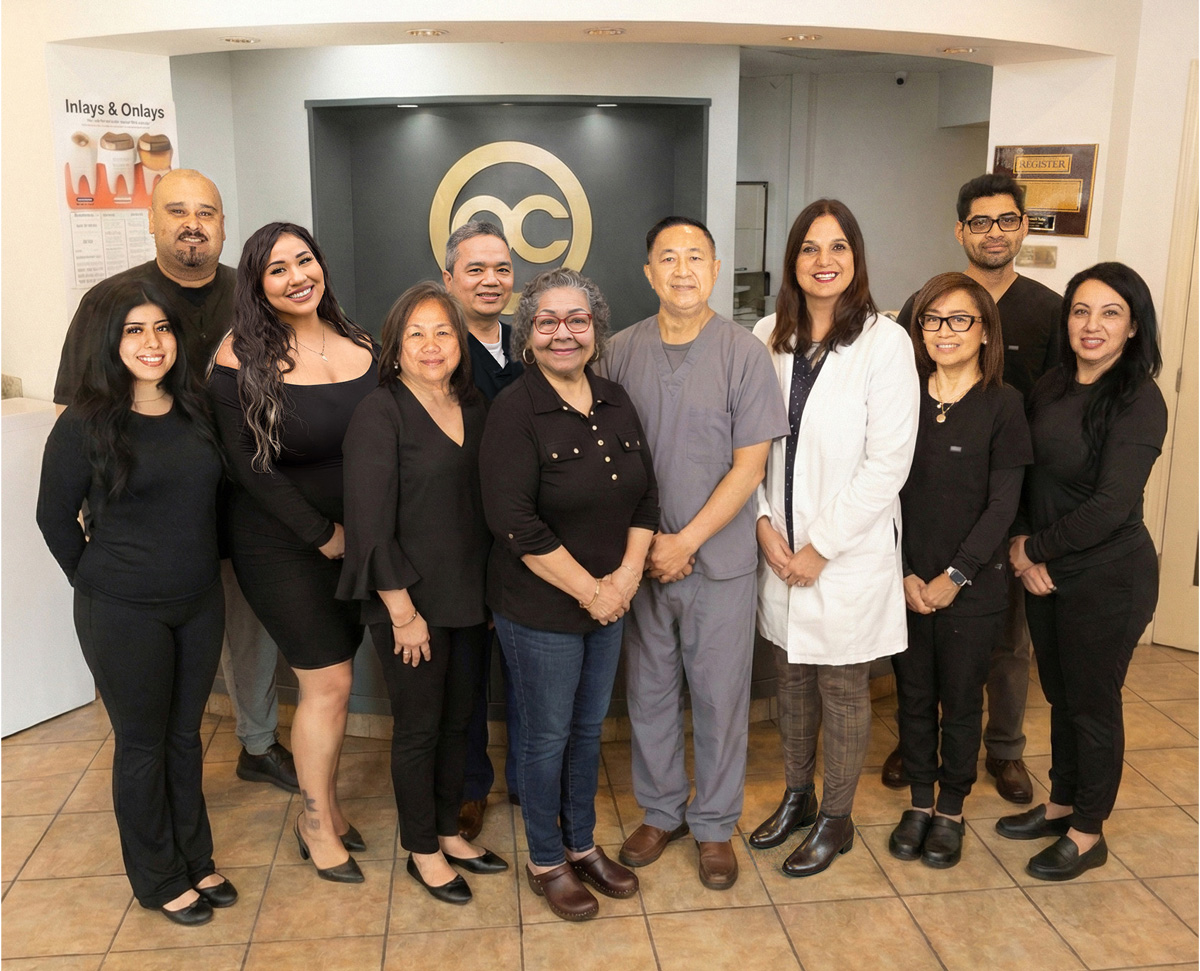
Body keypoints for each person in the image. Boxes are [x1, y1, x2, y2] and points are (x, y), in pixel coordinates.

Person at [53, 169, 297, 795]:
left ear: (222, 225)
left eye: (207, 212)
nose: (193, 224)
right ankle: (152, 766)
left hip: (245, 507)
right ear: (154, 222)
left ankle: (258, 742)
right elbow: (71, 418)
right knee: (151, 692)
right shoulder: (112, 302)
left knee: (252, 634)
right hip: (147, 523)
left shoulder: (256, 293)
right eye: (178, 211)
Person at [37, 280, 236, 925]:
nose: (152, 344)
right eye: (134, 331)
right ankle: (157, 877)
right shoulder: (87, 422)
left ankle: (195, 857)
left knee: (185, 738)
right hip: (123, 611)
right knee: (144, 743)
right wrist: (97, 581)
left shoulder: (195, 409)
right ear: (110, 342)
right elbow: (53, 517)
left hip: (199, 601)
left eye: (162, 330)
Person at [598, 217, 787, 891]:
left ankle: (713, 824)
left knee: (718, 696)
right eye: (667, 258)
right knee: (647, 691)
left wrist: (686, 541)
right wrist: (651, 548)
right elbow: (606, 458)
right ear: (648, 272)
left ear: (714, 269)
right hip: (642, 563)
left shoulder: (743, 353)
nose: (682, 269)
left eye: (695, 257)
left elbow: (749, 465)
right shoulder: (618, 352)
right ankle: (661, 810)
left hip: (718, 562)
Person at [481, 268, 659, 920]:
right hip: (542, 610)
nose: (564, 332)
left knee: (588, 732)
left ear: (595, 328)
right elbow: (515, 523)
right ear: (528, 333)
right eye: (548, 320)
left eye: (577, 319)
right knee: (546, 737)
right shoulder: (513, 409)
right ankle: (547, 859)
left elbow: (647, 495)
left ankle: (582, 844)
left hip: (609, 601)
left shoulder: (615, 398)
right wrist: (592, 590)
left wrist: (627, 580)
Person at [748, 199, 918, 877]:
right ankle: (797, 794)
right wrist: (763, 523)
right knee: (789, 682)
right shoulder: (766, 332)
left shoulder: (885, 340)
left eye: (838, 246)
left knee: (843, 689)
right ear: (793, 260)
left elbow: (889, 461)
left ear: (857, 258)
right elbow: (749, 443)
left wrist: (819, 547)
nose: (824, 260)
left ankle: (837, 819)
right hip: (777, 543)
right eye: (810, 247)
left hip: (844, 555)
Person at [886, 173, 1061, 804]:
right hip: (928, 509)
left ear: (1022, 226)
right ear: (961, 230)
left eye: (1006, 220)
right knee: (925, 657)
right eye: (980, 222)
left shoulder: (1047, 308)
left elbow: (1059, 406)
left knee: (1001, 645)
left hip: (1010, 498)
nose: (994, 233)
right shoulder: (921, 307)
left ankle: (1003, 751)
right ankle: (919, 753)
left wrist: (1023, 531)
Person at [209, 222, 376, 883]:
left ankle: (328, 807)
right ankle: (313, 819)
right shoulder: (238, 356)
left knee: (336, 684)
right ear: (257, 284)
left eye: (304, 259)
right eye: (276, 269)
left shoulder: (360, 341)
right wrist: (322, 533)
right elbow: (249, 466)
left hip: (354, 543)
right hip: (281, 541)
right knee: (328, 682)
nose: (296, 275)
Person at [338, 282, 508, 905]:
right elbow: (369, 522)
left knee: (459, 724)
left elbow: (484, 509)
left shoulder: (476, 408)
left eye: (443, 333)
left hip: (468, 601)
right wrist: (403, 612)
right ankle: (422, 850)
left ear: (460, 343)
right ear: (395, 346)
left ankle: (447, 831)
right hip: (408, 607)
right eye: (417, 334)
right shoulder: (379, 412)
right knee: (418, 729)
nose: (432, 346)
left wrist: (491, 600)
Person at [999, 262, 1166, 881]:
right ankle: (1062, 804)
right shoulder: (1051, 386)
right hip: (1047, 569)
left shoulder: (1138, 400)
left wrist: (1033, 550)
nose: (1091, 325)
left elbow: (1109, 506)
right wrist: (1023, 542)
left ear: (1132, 327)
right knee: (1062, 696)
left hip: (1109, 578)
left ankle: (1088, 832)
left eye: (1110, 313)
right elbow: (1023, 473)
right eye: (1080, 310)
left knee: (1093, 706)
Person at [887, 273, 1032, 869]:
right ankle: (919, 803)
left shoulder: (1004, 403)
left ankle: (950, 809)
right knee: (913, 697)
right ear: (918, 329)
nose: (944, 331)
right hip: (904, 581)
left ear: (984, 331)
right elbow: (882, 490)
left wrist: (956, 575)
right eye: (932, 319)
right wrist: (903, 574)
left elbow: (1005, 503)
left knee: (962, 701)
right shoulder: (901, 396)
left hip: (972, 588)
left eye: (959, 319)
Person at [441, 221, 524, 840]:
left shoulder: (534, 343)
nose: (490, 280)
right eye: (476, 269)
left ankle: (528, 778)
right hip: (463, 542)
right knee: (466, 679)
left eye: (500, 269)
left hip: (528, 539)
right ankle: (472, 789)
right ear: (449, 278)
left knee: (529, 672)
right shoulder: (435, 352)